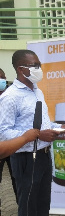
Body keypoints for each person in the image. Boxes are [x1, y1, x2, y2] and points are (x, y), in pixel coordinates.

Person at [0, 50, 65, 216]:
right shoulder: (10, 97)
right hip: (26, 160)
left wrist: (57, 128)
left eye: (39, 64)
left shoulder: (37, 91)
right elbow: (4, 134)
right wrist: (36, 135)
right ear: (21, 69)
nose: (40, 69)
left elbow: (42, 123)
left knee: (42, 205)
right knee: (28, 211)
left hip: (44, 157)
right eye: (35, 65)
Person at [0, 68, 18, 203]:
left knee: (17, 177)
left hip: (12, 146)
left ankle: (22, 204)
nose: (3, 81)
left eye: (3, 77)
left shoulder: (10, 97)